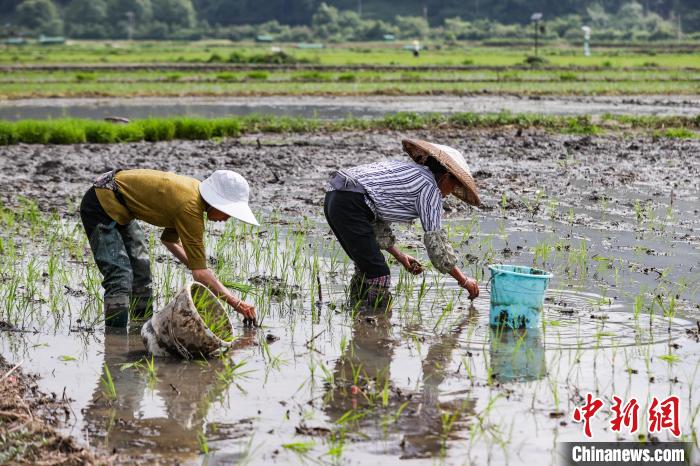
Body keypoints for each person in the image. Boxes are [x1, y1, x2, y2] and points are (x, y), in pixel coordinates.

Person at [79, 168, 258, 327]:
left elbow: (169, 241)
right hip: (100, 203)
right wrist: (237, 303)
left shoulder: (194, 197)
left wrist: (198, 265)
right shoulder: (189, 208)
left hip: (121, 207)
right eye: (228, 212)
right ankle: (114, 343)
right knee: (119, 275)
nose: (227, 219)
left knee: (141, 270)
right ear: (216, 202)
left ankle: (141, 329)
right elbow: (200, 274)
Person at [323, 139, 480, 303]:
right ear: (446, 177)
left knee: (368, 267)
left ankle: (359, 318)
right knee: (379, 274)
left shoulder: (409, 171)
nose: (450, 193)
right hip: (350, 203)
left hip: (335, 196)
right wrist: (464, 280)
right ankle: (376, 322)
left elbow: (373, 217)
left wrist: (400, 256)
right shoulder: (430, 188)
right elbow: (437, 245)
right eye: (453, 187)